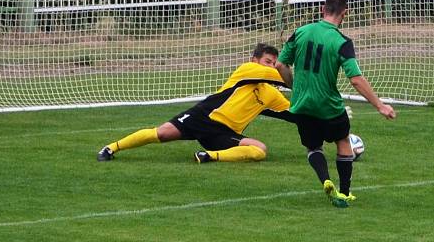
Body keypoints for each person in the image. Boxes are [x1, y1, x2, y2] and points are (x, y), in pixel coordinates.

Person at [276, 0, 396, 208]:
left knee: (313, 148)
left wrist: (294, 87)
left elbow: (280, 65)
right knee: (343, 141)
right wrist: (380, 105)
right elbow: (356, 80)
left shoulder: (301, 32)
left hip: (302, 105)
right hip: (329, 106)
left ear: (323, 9)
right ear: (345, 13)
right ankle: (346, 192)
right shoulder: (342, 42)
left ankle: (325, 180)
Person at [97, 43, 292, 163]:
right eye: (267, 61)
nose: (272, 66)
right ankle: (111, 148)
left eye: (274, 63)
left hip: (223, 134)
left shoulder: (270, 94)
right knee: (162, 133)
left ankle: (209, 156)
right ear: (254, 60)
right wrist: (303, 77)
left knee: (259, 150)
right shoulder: (248, 69)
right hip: (204, 116)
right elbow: (281, 77)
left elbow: (295, 111)